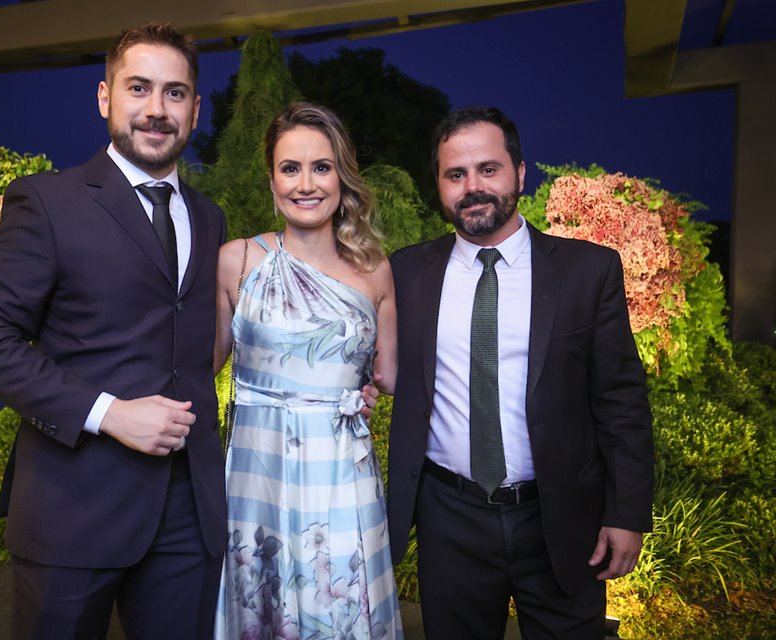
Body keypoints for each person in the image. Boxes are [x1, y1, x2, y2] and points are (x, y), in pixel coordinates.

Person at [0, 21, 228, 639]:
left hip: (188, 513)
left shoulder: (211, 218)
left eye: (175, 93)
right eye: (138, 88)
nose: (156, 110)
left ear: (195, 108)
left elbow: (190, 342)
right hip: (72, 509)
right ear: (105, 97)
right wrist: (108, 412)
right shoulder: (48, 201)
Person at [387, 107, 655, 639]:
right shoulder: (405, 272)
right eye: (455, 174)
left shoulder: (588, 270)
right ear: (439, 185)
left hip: (559, 517)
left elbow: (621, 401)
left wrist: (627, 514)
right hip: (449, 517)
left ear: (520, 173)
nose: (473, 187)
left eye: (489, 169)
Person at [212, 102, 403, 639]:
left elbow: (390, 379)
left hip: (342, 478)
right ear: (272, 179)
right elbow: (194, 367)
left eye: (321, 167)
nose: (306, 183)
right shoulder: (237, 261)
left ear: (342, 176)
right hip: (257, 474)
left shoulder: (375, 271)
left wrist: (363, 392)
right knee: (259, 608)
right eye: (290, 168)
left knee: (340, 608)